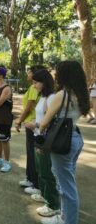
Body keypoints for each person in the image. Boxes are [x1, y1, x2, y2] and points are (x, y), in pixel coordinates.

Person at [39, 61, 90, 224]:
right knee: (66, 181)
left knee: (66, 186)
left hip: (62, 141)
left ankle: (68, 221)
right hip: (75, 137)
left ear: (64, 74)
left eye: (57, 71)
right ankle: (63, 216)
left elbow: (44, 122)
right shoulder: (80, 94)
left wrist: (40, 131)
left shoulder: (62, 94)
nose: (55, 74)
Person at [25, 69, 60, 217]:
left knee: (46, 171)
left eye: (36, 82)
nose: (34, 85)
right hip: (38, 137)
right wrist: (34, 123)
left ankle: (53, 204)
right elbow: (41, 117)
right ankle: (45, 195)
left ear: (44, 82)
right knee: (40, 169)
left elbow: (50, 120)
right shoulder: (43, 97)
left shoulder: (52, 97)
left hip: (45, 139)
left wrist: (35, 124)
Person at [15, 65, 45, 194]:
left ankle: (35, 182)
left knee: (33, 154)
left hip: (33, 124)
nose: (27, 75)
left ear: (34, 74)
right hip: (31, 123)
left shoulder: (34, 88)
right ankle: (30, 178)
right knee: (30, 153)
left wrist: (19, 121)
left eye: (29, 73)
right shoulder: (33, 87)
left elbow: (28, 108)